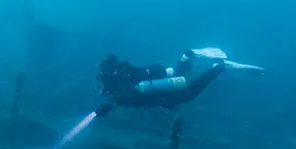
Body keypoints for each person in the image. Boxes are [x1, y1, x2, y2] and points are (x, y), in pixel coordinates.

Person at [93, 49, 225, 117]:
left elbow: (126, 93)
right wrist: (108, 103)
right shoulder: (120, 73)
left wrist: (109, 103)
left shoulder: (119, 78)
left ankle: (217, 67)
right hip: (157, 82)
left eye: (102, 67)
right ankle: (186, 57)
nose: (101, 70)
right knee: (176, 74)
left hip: (160, 96)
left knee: (188, 94)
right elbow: (120, 94)